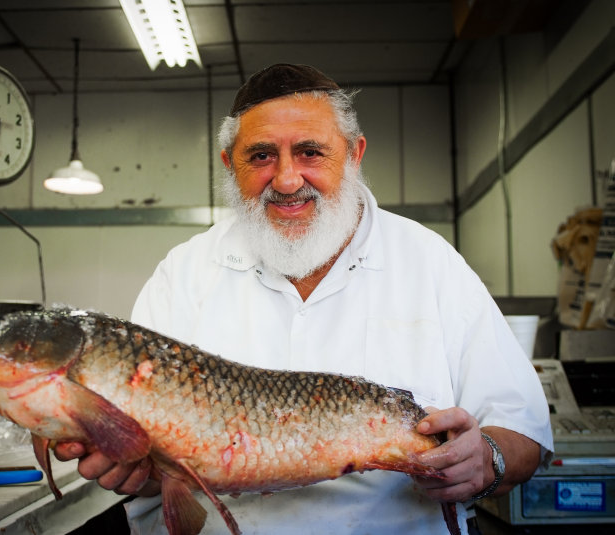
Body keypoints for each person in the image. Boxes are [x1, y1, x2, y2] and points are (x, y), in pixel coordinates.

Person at [55, 63, 553, 534]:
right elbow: (155, 464)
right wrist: (135, 467)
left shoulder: (429, 263)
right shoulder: (184, 274)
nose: (287, 180)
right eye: (261, 156)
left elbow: (524, 435)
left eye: (310, 152)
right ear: (230, 164)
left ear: (354, 154)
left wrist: (485, 457)